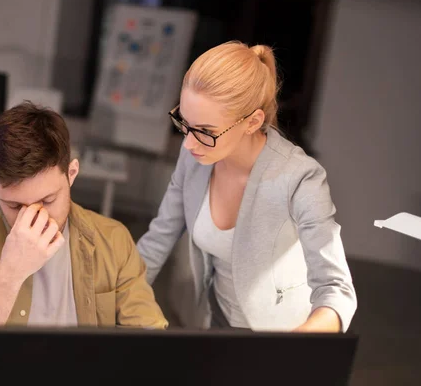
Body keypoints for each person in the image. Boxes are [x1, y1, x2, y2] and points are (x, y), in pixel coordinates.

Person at [0, 102, 168, 386]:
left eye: (47, 200)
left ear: (72, 173)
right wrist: (8, 274)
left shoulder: (112, 240)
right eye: (15, 205)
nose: (34, 217)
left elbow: (152, 355)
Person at [137, 41, 357, 333]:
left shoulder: (300, 178)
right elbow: (157, 241)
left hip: (284, 336)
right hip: (213, 322)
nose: (188, 142)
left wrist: (294, 348)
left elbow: (336, 289)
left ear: (253, 122)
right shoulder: (194, 157)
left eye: (205, 131)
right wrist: (110, 305)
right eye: (184, 123)